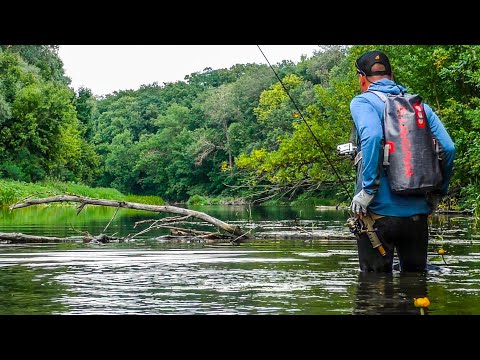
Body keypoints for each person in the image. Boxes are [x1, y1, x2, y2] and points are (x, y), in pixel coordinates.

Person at [349, 50, 455, 272]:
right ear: (392, 74)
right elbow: (448, 147)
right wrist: (438, 192)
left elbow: (373, 137)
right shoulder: (419, 106)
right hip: (417, 214)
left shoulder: (363, 103)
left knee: (373, 290)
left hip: (377, 215)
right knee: (416, 286)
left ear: (361, 77)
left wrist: (367, 190)